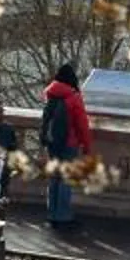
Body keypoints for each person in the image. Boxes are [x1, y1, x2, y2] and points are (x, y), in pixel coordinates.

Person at [38, 61, 94, 229]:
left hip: (53, 144)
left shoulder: (50, 95)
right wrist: (86, 146)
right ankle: (63, 215)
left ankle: (52, 213)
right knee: (65, 180)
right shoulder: (73, 98)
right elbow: (82, 125)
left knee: (54, 178)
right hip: (69, 144)